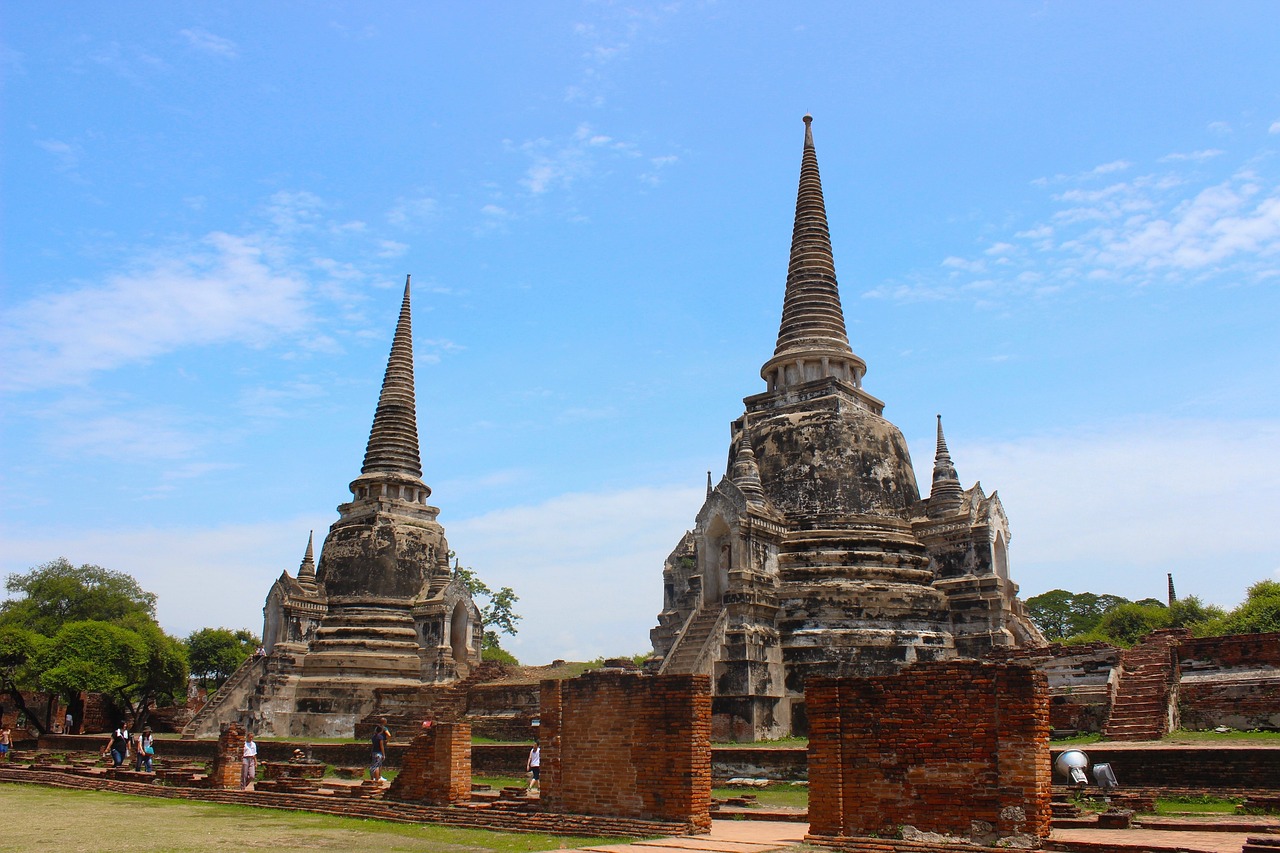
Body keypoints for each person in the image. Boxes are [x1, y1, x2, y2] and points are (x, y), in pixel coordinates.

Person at [370, 718, 389, 784]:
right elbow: (381, 746)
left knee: (373, 766)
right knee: (377, 766)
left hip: (374, 752)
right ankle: (377, 778)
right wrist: (383, 754)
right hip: (379, 752)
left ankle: (372, 778)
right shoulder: (380, 737)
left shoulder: (373, 737)